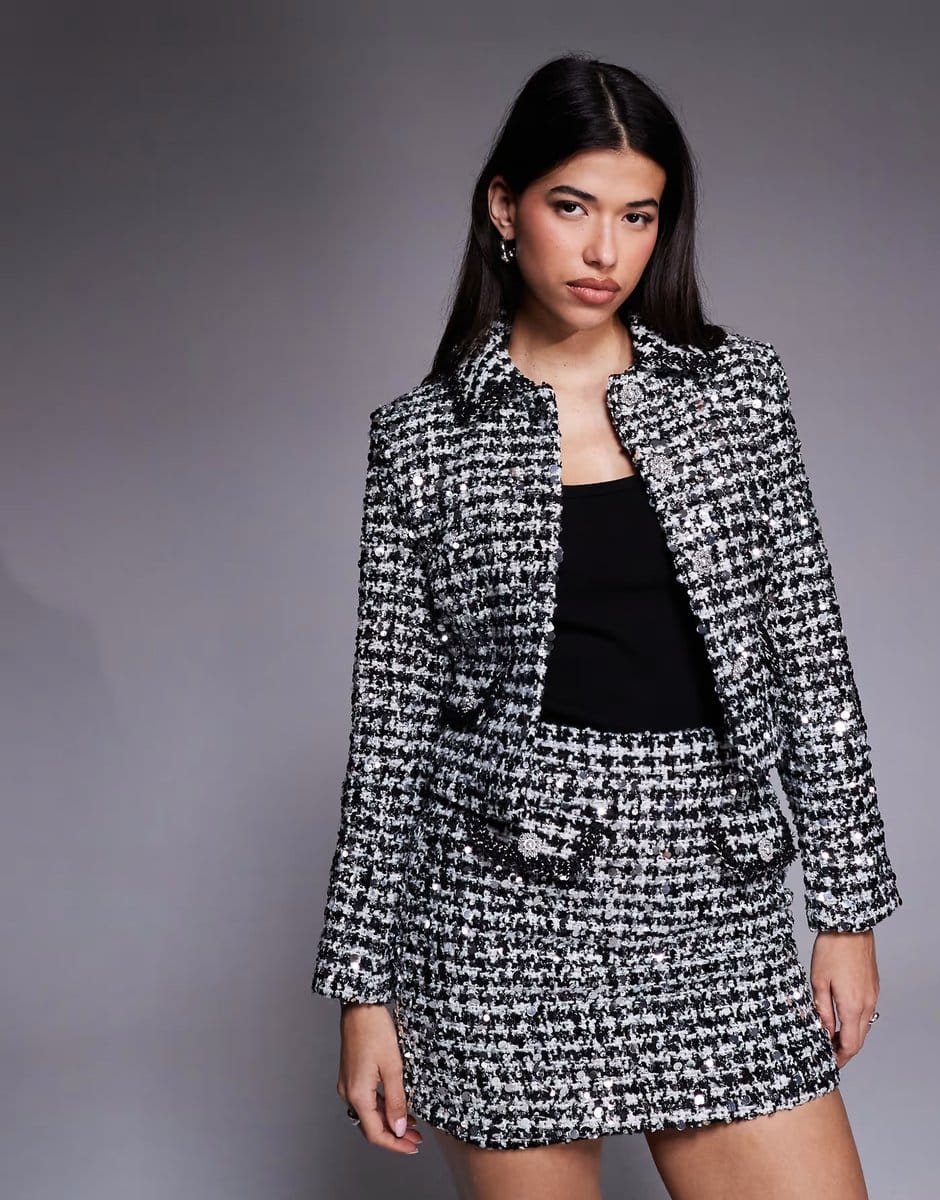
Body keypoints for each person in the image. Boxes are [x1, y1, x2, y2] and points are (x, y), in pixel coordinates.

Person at [310, 53, 903, 1200]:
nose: (604, 251)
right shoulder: (421, 440)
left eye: (638, 216)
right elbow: (389, 732)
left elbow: (810, 662)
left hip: (712, 895)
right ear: (505, 206)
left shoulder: (737, 395)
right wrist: (362, 992)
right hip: (499, 918)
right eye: (573, 206)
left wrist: (846, 910)